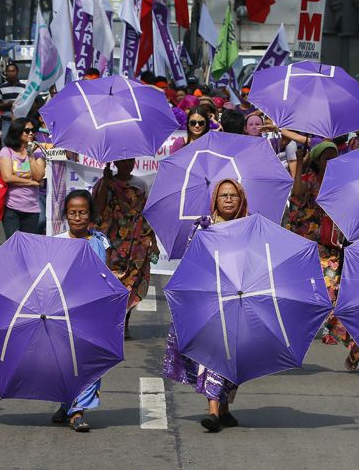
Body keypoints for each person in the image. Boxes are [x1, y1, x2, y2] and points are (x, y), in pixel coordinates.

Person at [163, 179, 248, 433]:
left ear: (241, 199)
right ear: (215, 200)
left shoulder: (250, 227)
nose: (229, 199)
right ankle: (212, 410)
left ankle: (223, 407)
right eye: (224, 195)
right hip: (209, 300)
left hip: (240, 301)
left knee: (234, 357)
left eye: (233, 195)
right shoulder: (203, 227)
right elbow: (192, 263)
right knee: (212, 355)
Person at [50, 190, 109, 432]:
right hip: (62, 312)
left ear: (90, 214)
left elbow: (105, 276)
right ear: (65, 214)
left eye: (82, 212)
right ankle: (67, 403)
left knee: (89, 362)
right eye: (72, 213)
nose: (77, 217)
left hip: (92, 313)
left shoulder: (100, 242)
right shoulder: (56, 242)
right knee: (63, 362)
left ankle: (77, 411)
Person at [93, 159, 159, 339]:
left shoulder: (140, 184)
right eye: (124, 160)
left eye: (131, 160)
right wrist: (106, 183)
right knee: (111, 282)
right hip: (112, 244)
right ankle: (111, 320)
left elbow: (148, 215)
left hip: (137, 243)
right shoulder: (104, 183)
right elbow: (97, 211)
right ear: (115, 162)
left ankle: (125, 321)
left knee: (133, 283)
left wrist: (153, 242)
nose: (128, 164)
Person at [0, 118, 45, 239]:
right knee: (13, 244)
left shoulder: (37, 152)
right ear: (17, 132)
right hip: (12, 208)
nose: (31, 133)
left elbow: (39, 175)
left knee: (27, 247)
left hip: (32, 209)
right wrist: (32, 182)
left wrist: (30, 155)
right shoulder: (7, 151)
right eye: (27, 130)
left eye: (32, 130)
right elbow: (7, 177)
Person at [0, 62, 26, 135]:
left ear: (17, 72)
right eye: (9, 71)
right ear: (6, 73)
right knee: (6, 144)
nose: (11, 73)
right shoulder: (0, 88)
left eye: (13, 71)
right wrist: (7, 105)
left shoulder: (24, 88)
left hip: (20, 121)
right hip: (6, 121)